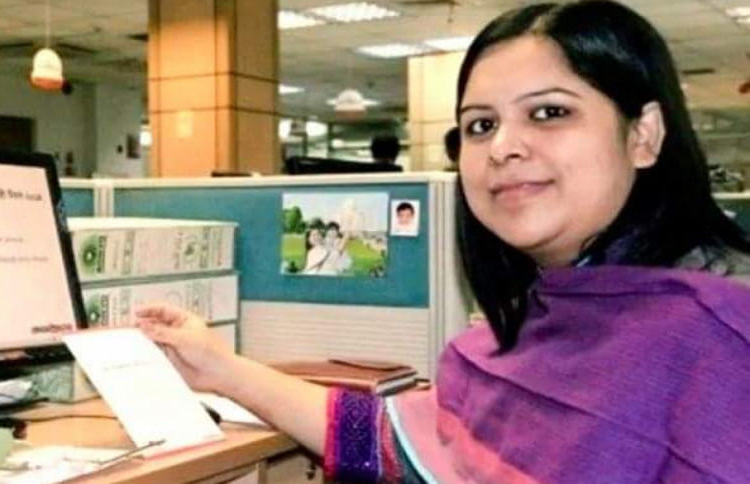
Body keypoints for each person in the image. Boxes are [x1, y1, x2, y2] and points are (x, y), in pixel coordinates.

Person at [137, 1, 750, 483]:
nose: (503, 147)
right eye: (480, 125)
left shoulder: (719, 338)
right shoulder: (539, 323)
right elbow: (399, 442)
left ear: (643, 135)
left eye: (548, 113)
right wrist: (220, 369)